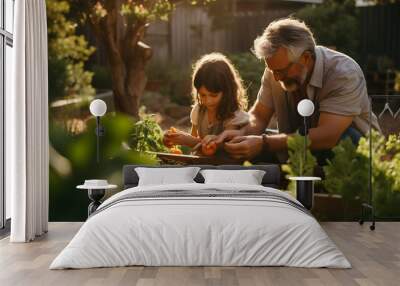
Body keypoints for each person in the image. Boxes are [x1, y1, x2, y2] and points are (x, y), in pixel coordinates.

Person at [212, 18, 380, 163]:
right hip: (301, 147)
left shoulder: (343, 73)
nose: (276, 78)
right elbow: (259, 116)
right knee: (246, 148)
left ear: (306, 58)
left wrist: (264, 143)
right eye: (272, 71)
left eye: (282, 71)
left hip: (355, 152)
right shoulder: (275, 69)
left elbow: (327, 136)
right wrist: (240, 134)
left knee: (345, 140)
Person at [163, 53, 249, 153]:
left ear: (227, 91)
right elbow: (194, 143)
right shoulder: (199, 110)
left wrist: (188, 141)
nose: (208, 101)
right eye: (203, 95)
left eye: (213, 95)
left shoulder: (233, 116)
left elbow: (225, 149)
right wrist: (174, 139)